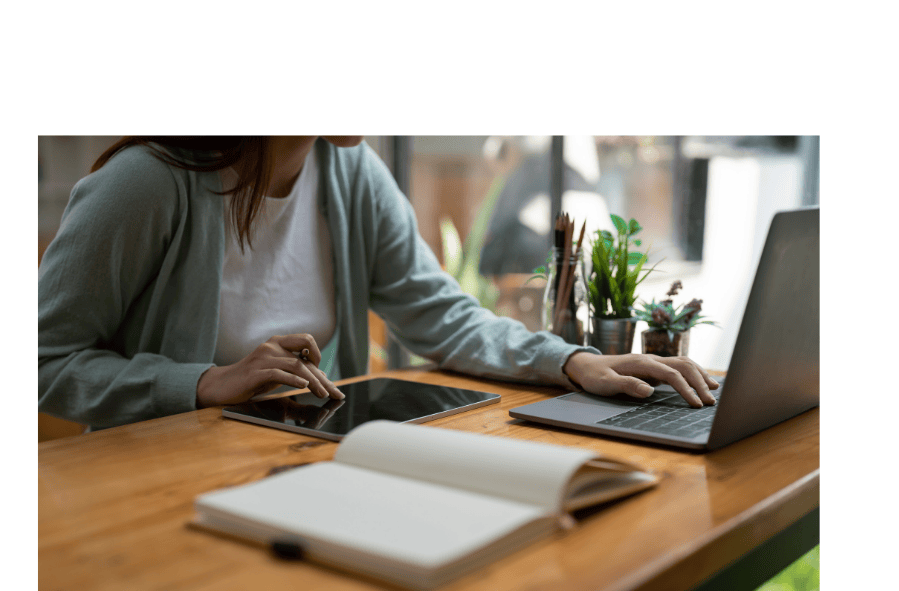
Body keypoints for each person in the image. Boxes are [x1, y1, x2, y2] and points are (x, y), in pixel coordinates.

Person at [38, 136, 718, 430]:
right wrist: (200, 383)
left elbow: (443, 315)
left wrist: (572, 360)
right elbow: (44, 361)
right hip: (159, 483)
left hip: (302, 463)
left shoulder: (351, 175)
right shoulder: (146, 185)